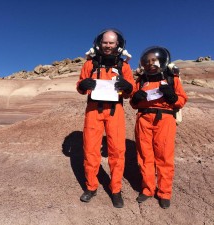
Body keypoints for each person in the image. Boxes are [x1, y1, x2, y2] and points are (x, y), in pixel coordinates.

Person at [76, 28, 135, 208]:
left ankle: (115, 189)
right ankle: (91, 186)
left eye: (111, 43)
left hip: (115, 111)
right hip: (93, 111)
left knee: (117, 151)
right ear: (99, 43)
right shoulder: (90, 64)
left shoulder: (123, 66)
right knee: (90, 150)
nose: (108, 46)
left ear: (118, 44)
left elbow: (130, 90)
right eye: (105, 42)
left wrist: (127, 87)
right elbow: (80, 85)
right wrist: (83, 85)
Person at [130, 46, 188, 209]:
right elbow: (133, 104)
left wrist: (171, 95)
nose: (151, 64)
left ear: (161, 61)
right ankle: (148, 189)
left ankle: (164, 192)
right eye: (147, 61)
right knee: (144, 156)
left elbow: (182, 100)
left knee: (164, 156)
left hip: (165, 120)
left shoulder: (172, 78)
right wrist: (136, 98)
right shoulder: (141, 80)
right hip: (144, 119)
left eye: (154, 60)